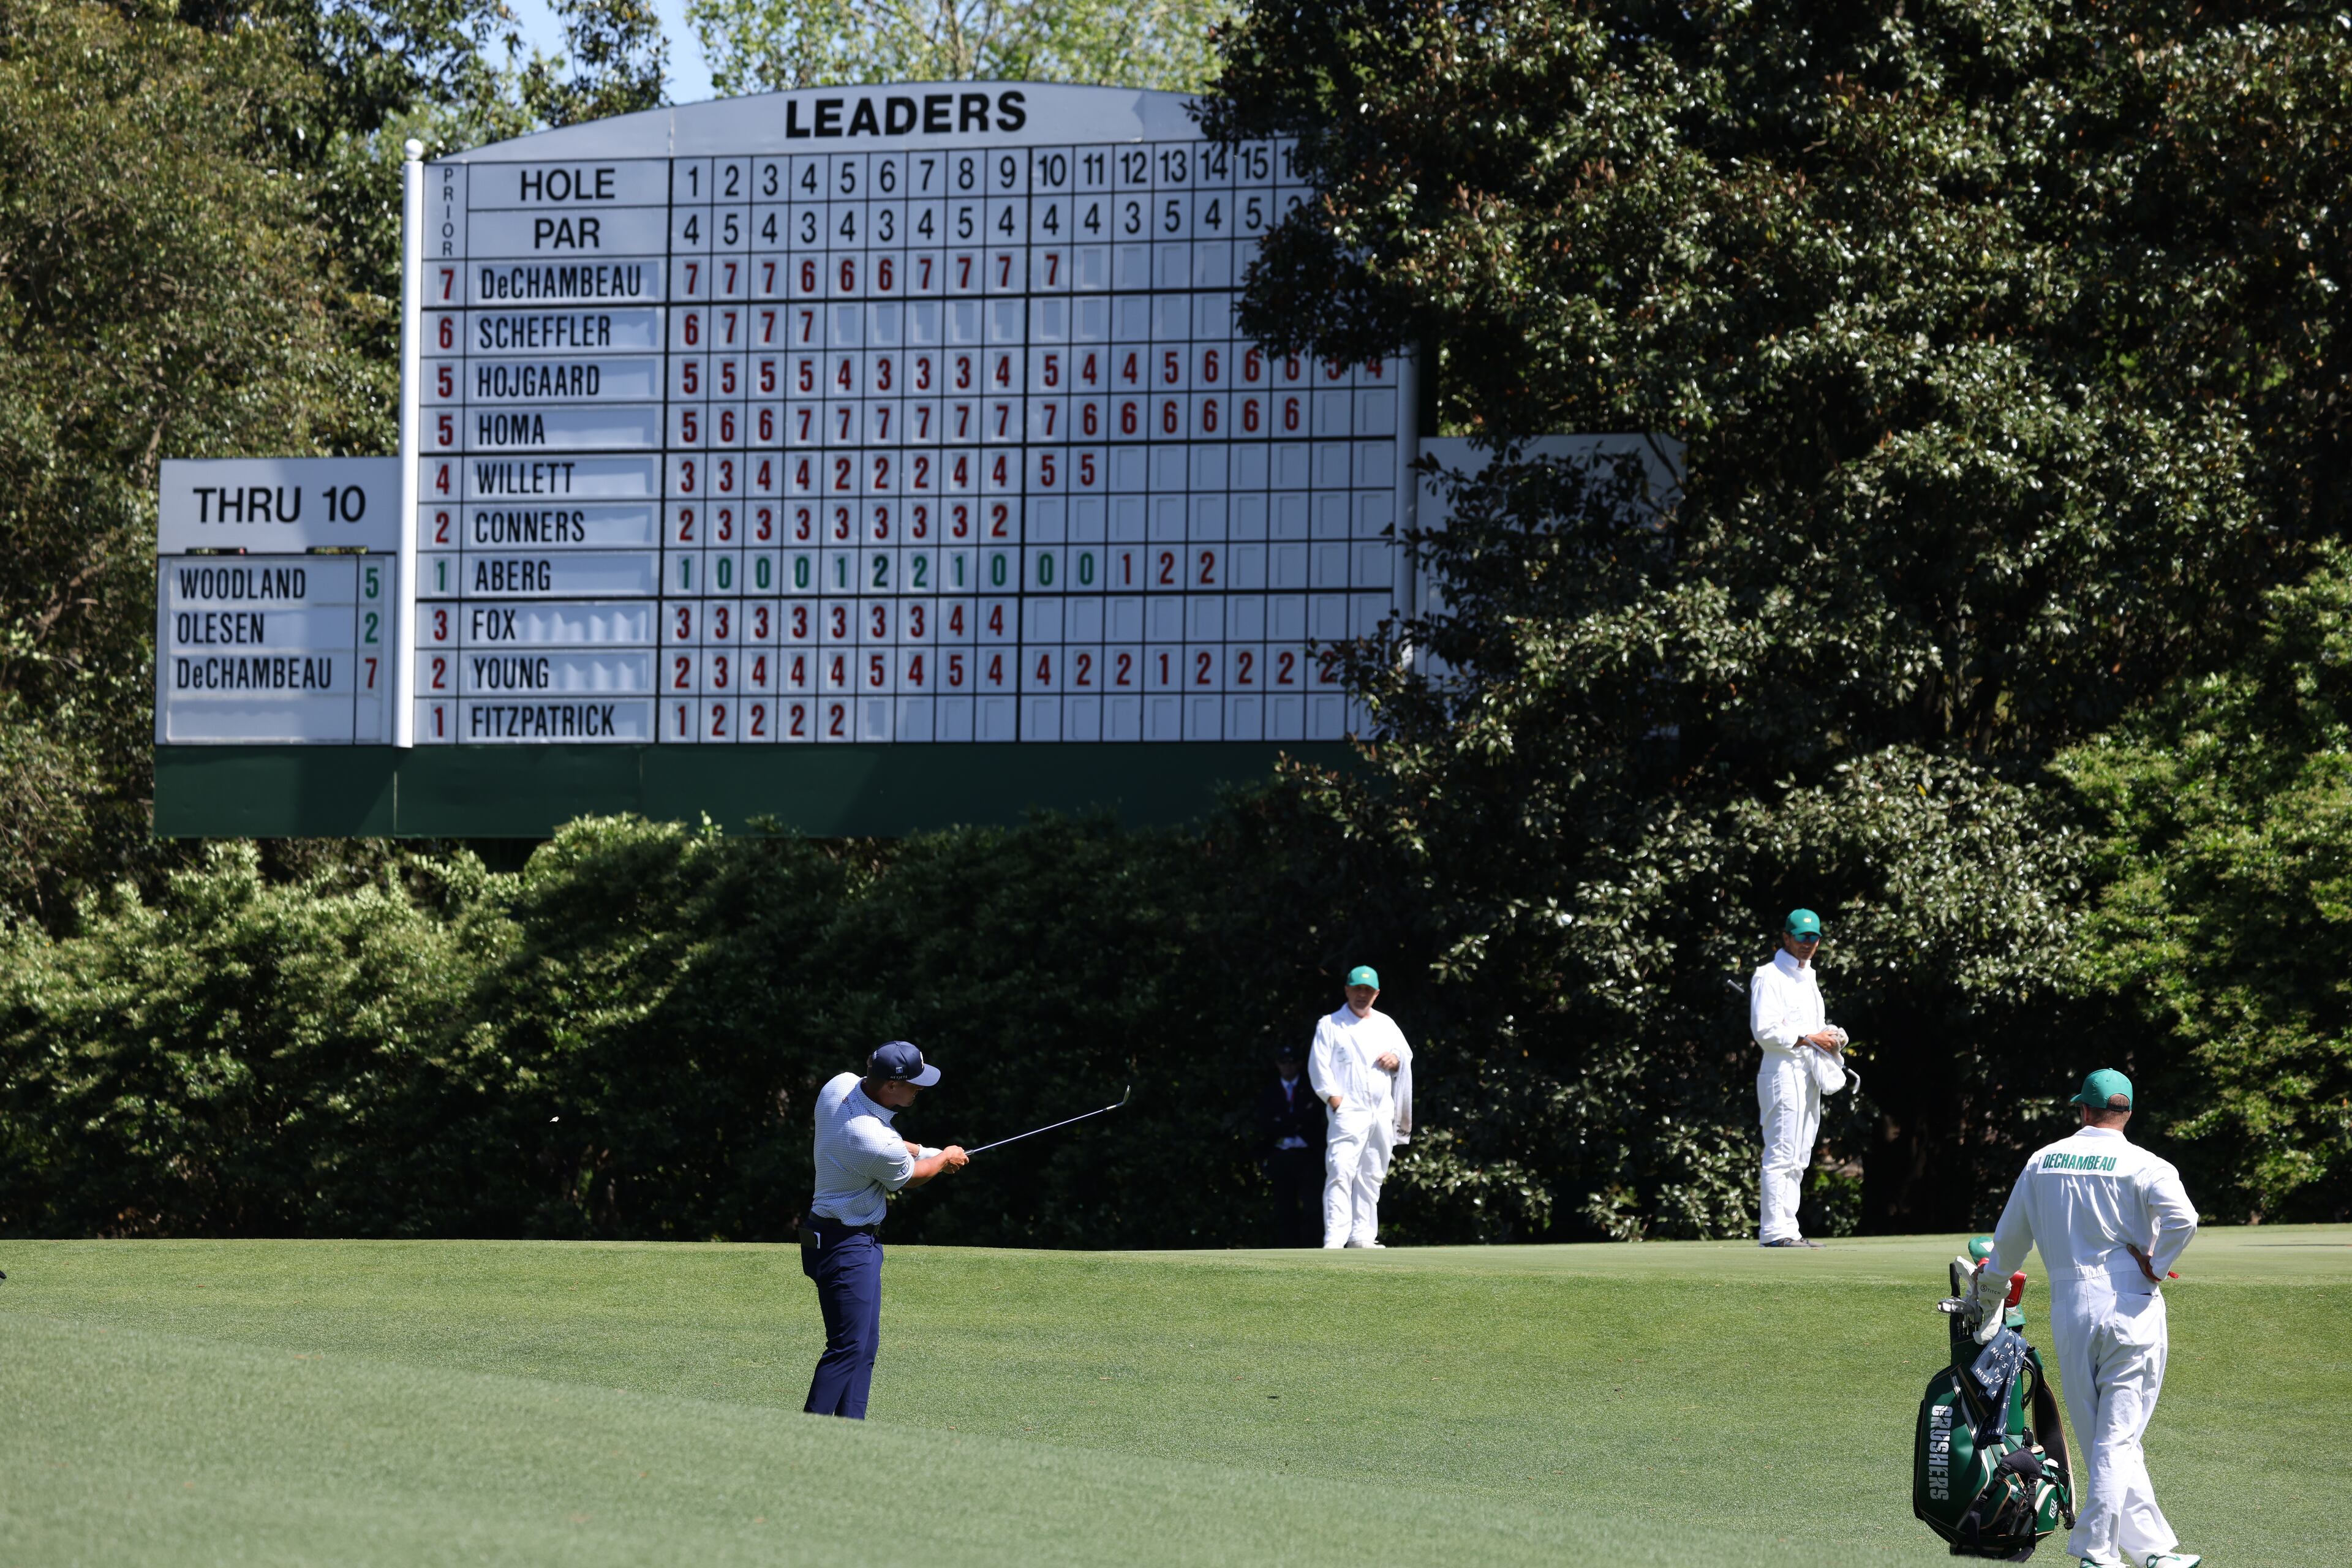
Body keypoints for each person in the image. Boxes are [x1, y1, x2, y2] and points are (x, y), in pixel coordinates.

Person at [1975, 1069, 2201, 1568]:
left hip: (2071, 1308)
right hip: (2132, 1305)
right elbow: (2185, 1219)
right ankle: (2097, 1551)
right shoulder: (2147, 1163)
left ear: (2084, 1110)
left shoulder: (2043, 1160)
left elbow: (2009, 1242)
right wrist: (2158, 1264)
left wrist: (1991, 1293)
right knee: (2118, 1436)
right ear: (2128, 1113)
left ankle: (2151, 1551)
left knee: (2109, 1437)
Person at [801, 1040, 967, 1419]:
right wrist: (944, 1158)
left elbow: (894, 1144)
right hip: (845, 1245)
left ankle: (851, 1431)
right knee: (848, 1347)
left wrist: (925, 1150)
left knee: (863, 1346)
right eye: (913, 1083)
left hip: (832, 1237)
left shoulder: (840, 1085)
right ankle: (808, 1432)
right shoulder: (870, 1139)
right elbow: (911, 1177)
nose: (920, 1089)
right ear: (890, 1085)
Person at [1749, 907, 1847, 1248]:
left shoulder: (1809, 977)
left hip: (1808, 1072)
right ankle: (1775, 1232)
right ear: (1786, 937)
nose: (1808, 943)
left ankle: (1788, 1229)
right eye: (1802, 937)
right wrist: (1810, 1037)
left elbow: (1812, 1028)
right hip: (1781, 1070)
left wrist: (1830, 1036)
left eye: (1814, 937)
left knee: (1801, 1154)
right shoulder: (1769, 975)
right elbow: (1764, 1030)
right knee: (1783, 1152)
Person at [1307, 965, 1414, 1248]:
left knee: (1372, 1173)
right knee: (1341, 1167)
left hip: (1381, 1110)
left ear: (1376, 994)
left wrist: (1397, 1059)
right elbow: (1318, 1065)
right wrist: (1333, 1097)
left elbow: (1405, 1053)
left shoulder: (1386, 1024)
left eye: (1367, 990)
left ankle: (1362, 1235)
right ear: (1347, 990)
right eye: (1357, 989)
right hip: (1348, 1109)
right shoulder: (1330, 1024)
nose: (1361, 995)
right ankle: (1336, 1237)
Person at [1256, 1044, 1325, 1246]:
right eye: (1283, 1062)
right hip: (1281, 1155)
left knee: (1313, 1207)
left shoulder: (1311, 1089)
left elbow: (1312, 1120)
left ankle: (1312, 1248)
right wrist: (1295, 1122)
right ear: (1277, 1064)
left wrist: (1285, 1122)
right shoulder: (1270, 1092)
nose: (1288, 1067)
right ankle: (1288, 1249)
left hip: (1308, 1155)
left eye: (1292, 1062)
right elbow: (1267, 1126)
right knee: (1284, 1208)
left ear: (1299, 1064)